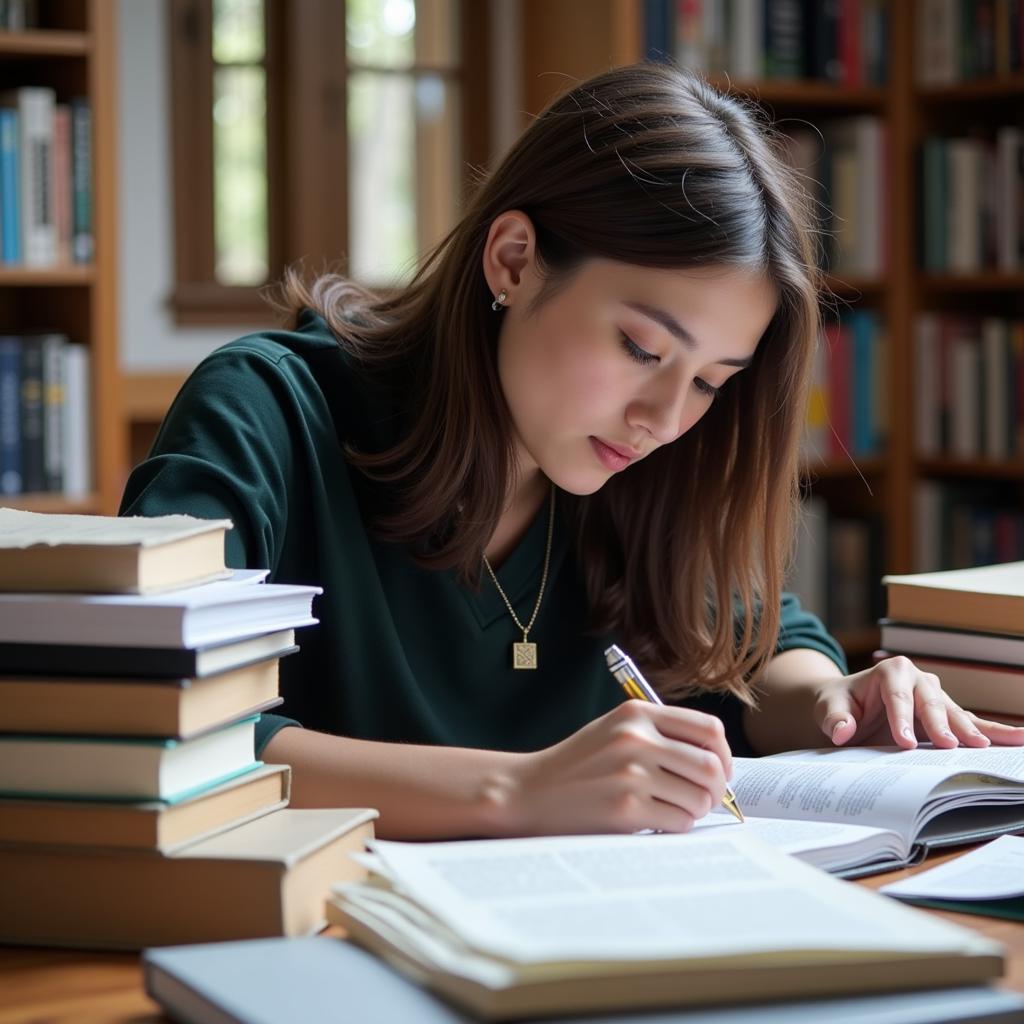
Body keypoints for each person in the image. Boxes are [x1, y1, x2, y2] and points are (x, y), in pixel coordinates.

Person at [121, 62, 1024, 839]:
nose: (666, 418)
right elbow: (155, 720)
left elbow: (762, 641)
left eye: (712, 380)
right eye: (640, 348)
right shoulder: (267, 410)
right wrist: (516, 789)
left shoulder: (646, 468)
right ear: (512, 261)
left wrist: (830, 701)